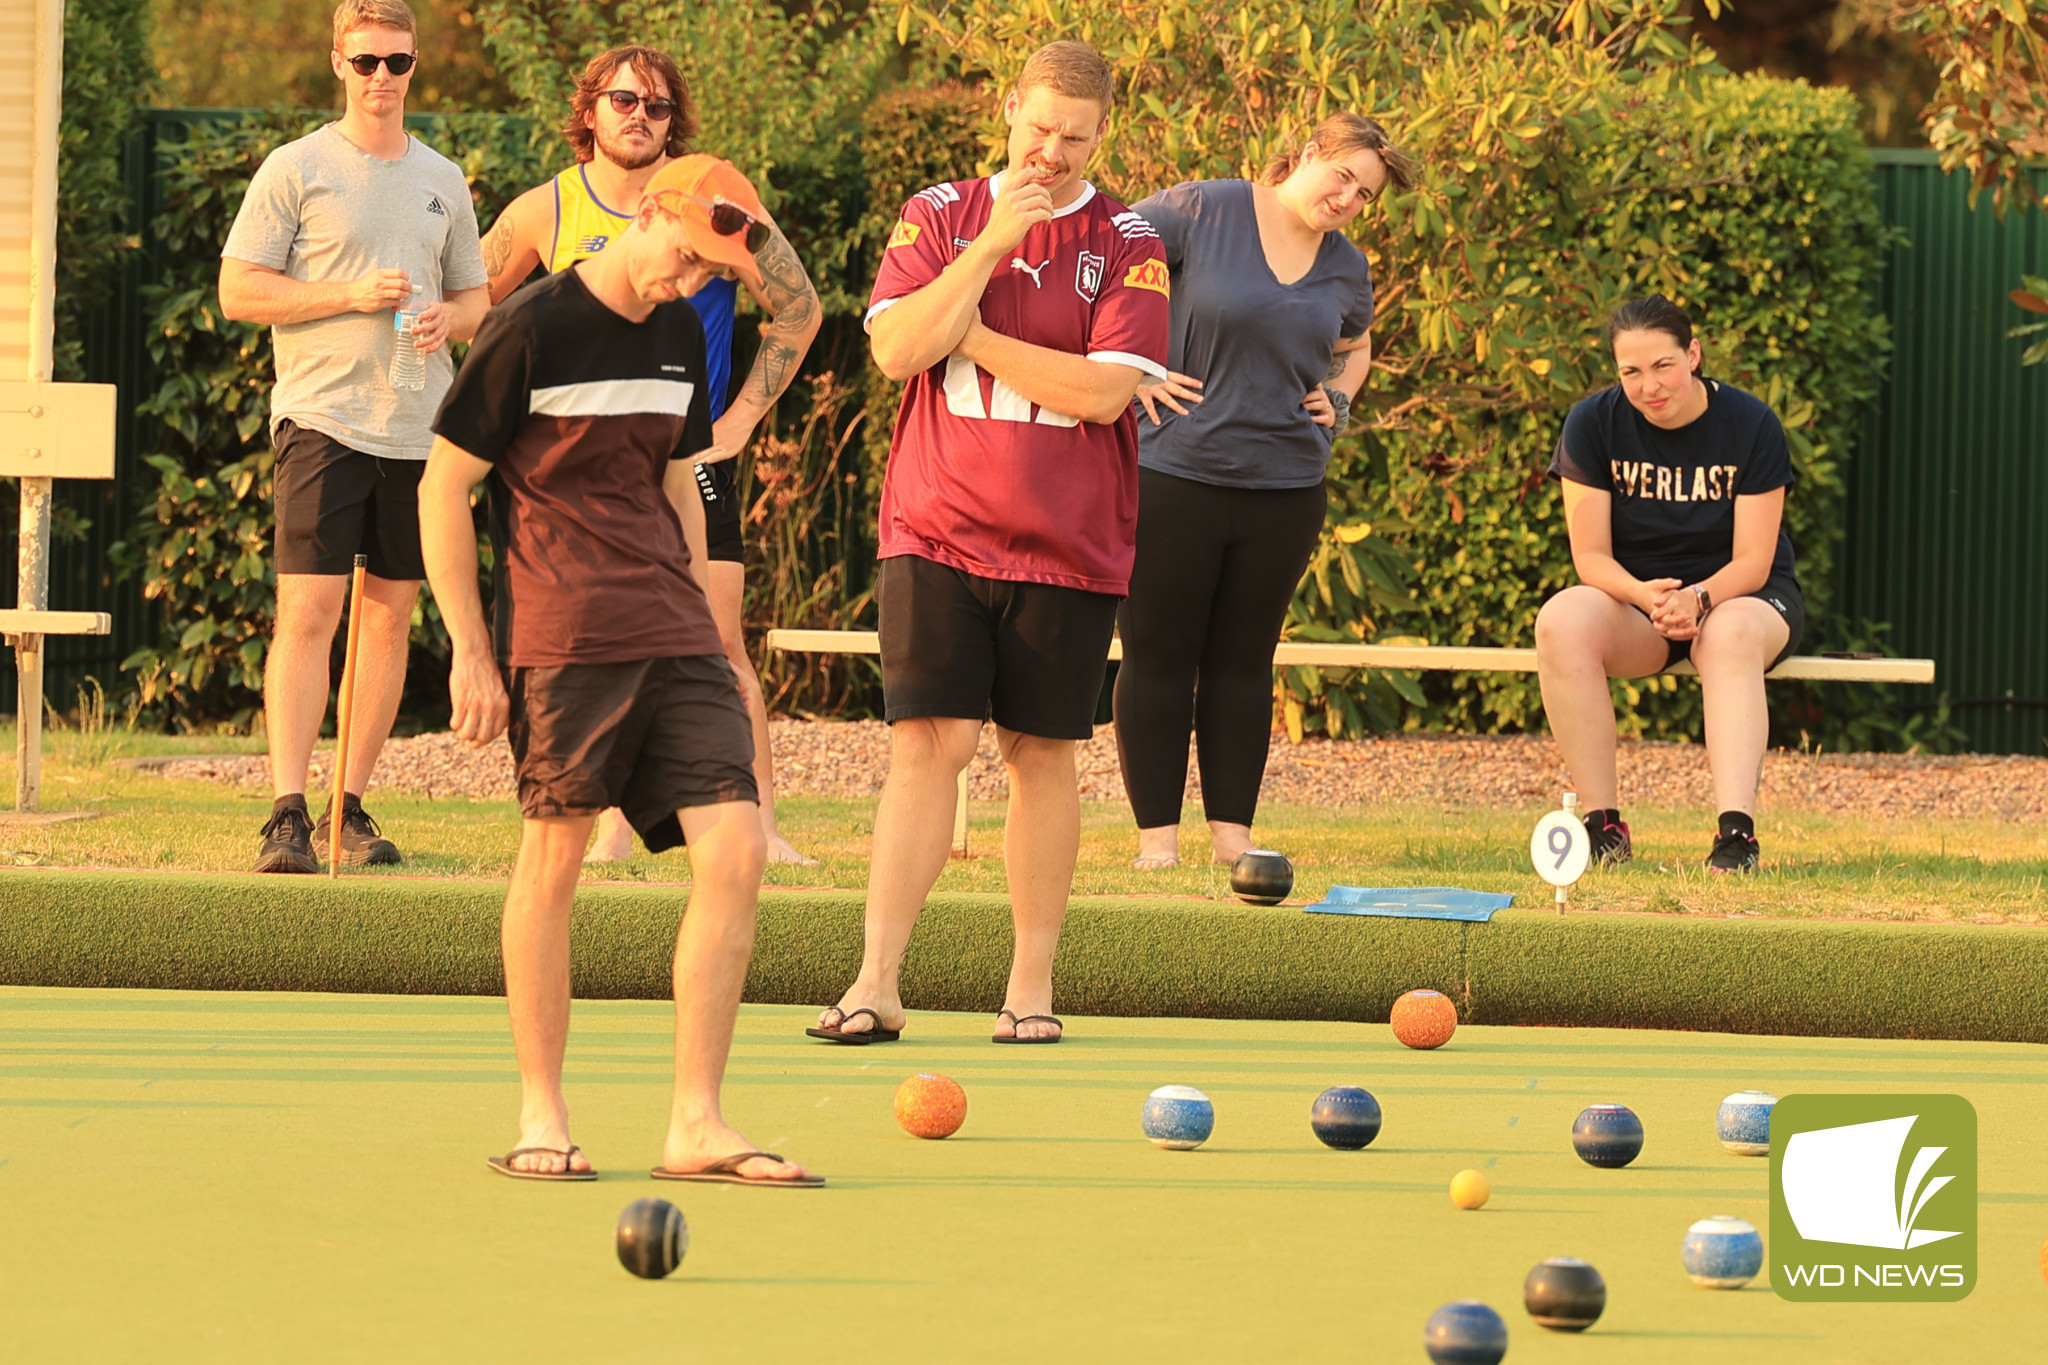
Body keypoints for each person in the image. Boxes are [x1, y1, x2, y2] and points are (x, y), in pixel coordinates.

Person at [418, 155, 821, 1186]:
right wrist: (470, 645)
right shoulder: (531, 327)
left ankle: (696, 1124)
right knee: (551, 866)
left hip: (673, 628)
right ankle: (542, 1116)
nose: (689, 281)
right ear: (647, 213)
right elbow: (444, 486)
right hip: (564, 636)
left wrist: (706, 619)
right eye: (685, 256)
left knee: (734, 851)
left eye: (710, 270)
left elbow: (680, 480)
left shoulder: (685, 329)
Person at [810, 42, 1170, 1047]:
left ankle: (1028, 991)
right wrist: (986, 251)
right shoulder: (938, 213)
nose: (1051, 152)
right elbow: (891, 351)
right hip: (934, 524)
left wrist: (959, 329)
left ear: (1103, 135)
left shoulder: (1129, 239)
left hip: (1068, 540)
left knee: (1040, 751)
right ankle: (876, 981)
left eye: (1075, 138)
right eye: (1038, 129)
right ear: (1008, 109)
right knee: (927, 744)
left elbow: (1102, 391)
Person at [477, 44, 824, 867]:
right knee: (598, 638)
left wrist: (736, 421)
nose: (641, 117)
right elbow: (473, 308)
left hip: (685, 455)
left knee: (717, 637)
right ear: (590, 109)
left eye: (659, 106)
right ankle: (612, 824)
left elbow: (799, 309)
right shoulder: (544, 211)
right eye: (626, 101)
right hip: (580, 474)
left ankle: (763, 824)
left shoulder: (713, 198)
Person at [219, 0, 489, 874]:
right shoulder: (296, 168)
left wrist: (446, 317)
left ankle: (349, 809)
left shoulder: (445, 178)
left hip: (420, 430)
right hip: (323, 420)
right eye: (366, 59)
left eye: (398, 62)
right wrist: (348, 295)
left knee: (390, 618)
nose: (382, 77)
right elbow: (239, 293)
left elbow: (477, 301)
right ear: (339, 61)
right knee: (308, 612)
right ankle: (287, 814)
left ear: (417, 66)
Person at [1115, 114, 1415, 870]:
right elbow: (1106, 256)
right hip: (1171, 471)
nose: (1347, 198)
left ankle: (1232, 838)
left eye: (1365, 193)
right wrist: (1133, 370)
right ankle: (1158, 843)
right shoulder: (1202, 208)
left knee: (1244, 659)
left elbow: (1355, 341)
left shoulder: (1347, 266)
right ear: (1309, 152)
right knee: (1158, 654)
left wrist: (1339, 400)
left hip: (1285, 487)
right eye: (1342, 176)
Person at [1535, 295, 1805, 873]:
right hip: (1643, 605)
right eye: (1630, 372)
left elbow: (1755, 560)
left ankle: (1737, 837)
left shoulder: (1752, 424)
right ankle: (1602, 826)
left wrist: (1698, 599)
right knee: (1560, 620)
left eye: (1662, 366)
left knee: (1725, 634)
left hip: (1743, 597)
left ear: (1694, 355)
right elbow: (1591, 558)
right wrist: (1647, 597)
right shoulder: (1592, 422)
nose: (1648, 386)